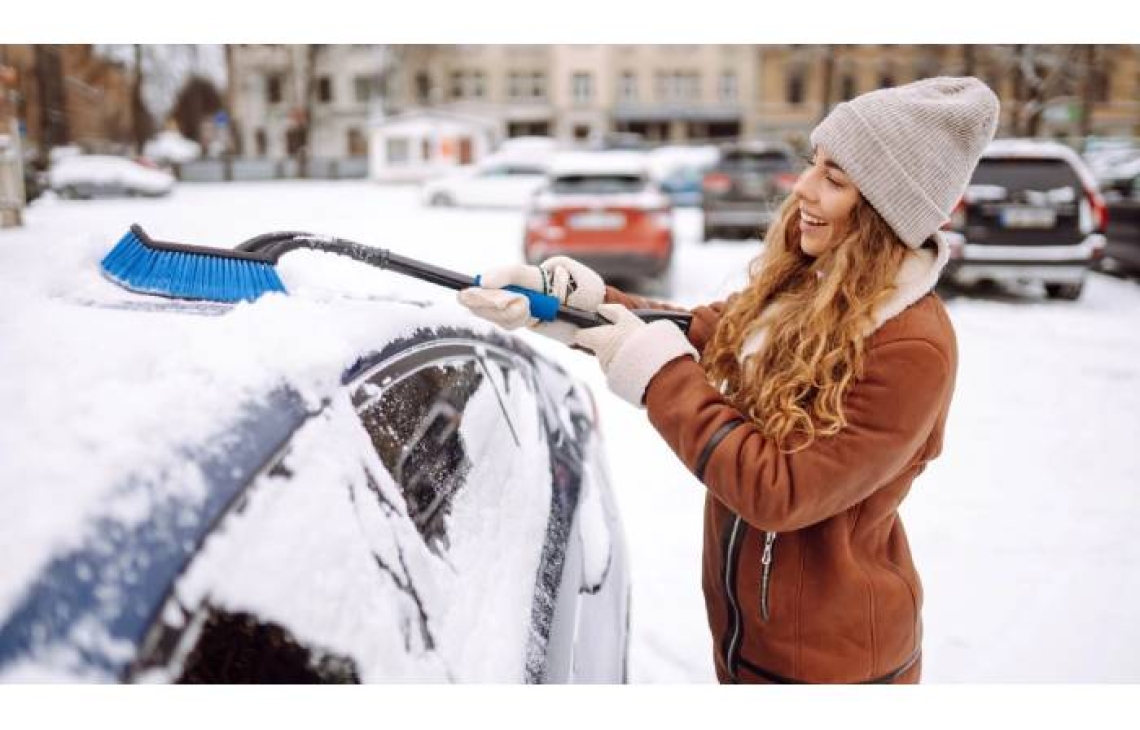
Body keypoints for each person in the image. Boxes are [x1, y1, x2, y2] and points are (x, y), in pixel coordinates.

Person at [458, 77, 1000, 684]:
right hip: (754, 643)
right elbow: (710, 333)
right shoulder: (815, 286)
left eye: (835, 180)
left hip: (833, 668)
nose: (803, 187)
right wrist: (579, 306)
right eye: (813, 165)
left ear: (881, 211)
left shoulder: (910, 347)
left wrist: (656, 370)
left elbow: (780, 490)